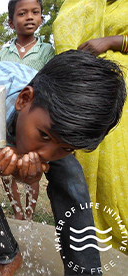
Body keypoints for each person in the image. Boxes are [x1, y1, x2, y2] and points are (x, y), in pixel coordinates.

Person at [0, 51, 126, 275]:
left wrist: (48, 151)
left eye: (67, 148)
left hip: (41, 115)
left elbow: (53, 144)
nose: (45, 155)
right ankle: (8, 255)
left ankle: (85, 271)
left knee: (73, 180)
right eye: (44, 136)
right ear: (24, 100)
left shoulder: (56, 129)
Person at [53, 0, 128, 254]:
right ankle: (89, 240)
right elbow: (65, 34)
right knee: (87, 158)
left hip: (123, 94)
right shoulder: (82, 2)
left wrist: (112, 41)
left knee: (118, 171)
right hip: (88, 90)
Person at [0, 0, 55, 220]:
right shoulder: (3, 53)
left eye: (35, 12)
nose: (29, 17)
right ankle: (17, 211)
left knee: (32, 165)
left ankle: (29, 212)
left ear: (41, 18)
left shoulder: (47, 50)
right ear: (11, 22)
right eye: (22, 13)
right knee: (7, 162)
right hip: (9, 116)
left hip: (34, 117)